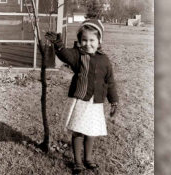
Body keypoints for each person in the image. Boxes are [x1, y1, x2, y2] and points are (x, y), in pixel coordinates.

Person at [45, 19, 119, 174]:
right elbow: (66, 56)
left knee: (91, 131)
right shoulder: (77, 56)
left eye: (92, 40)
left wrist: (114, 101)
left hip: (95, 103)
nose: (87, 44)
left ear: (99, 41)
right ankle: (78, 162)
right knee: (78, 131)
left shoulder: (104, 60)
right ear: (79, 41)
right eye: (84, 40)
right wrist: (58, 45)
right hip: (80, 100)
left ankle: (88, 159)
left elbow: (110, 81)